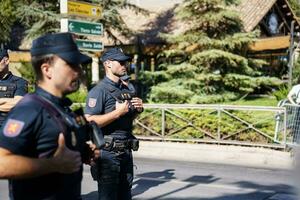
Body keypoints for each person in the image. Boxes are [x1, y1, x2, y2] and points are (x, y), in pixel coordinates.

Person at [0, 32, 98, 200]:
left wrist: (81, 153)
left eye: (78, 65)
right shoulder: (30, 109)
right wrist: (53, 164)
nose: (78, 71)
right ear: (47, 69)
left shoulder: (61, 107)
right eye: (71, 65)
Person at [85, 47, 144, 200]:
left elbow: (125, 121)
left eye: (126, 61)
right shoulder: (99, 91)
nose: (125, 65)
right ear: (108, 64)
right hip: (108, 153)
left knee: (125, 195)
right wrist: (117, 112)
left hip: (126, 151)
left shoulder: (126, 88)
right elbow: (89, 120)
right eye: (121, 61)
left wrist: (136, 110)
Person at [0, 49, 28, 126]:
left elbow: (18, 103)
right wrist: (6, 102)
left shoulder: (20, 82)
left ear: (6, 61)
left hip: (8, 127)